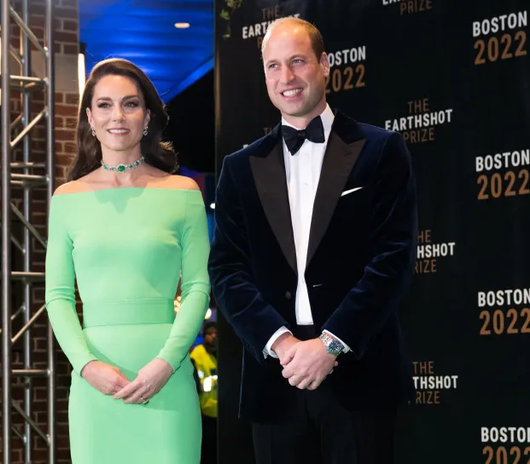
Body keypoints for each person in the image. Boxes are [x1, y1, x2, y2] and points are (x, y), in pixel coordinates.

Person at [208, 17, 417, 464]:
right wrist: (283, 345)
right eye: (273, 66)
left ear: (324, 64)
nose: (286, 77)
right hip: (275, 379)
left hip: (359, 375)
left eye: (298, 62)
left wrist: (330, 344)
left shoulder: (381, 149)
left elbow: (393, 258)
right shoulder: (240, 168)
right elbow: (227, 270)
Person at [45, 58, 211, 463]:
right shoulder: (66, 199)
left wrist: (166, 363)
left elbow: (198, 288)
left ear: (147, 116)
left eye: (130, 104)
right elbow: (57, 296)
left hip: (167, 379)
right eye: (104, 105)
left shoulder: (183, 192)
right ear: (89, 117)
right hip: (95, 385)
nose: (117, 116)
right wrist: (86, 366)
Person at [190, 321, 218, 464]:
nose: (213, 336)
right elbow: (196, 384)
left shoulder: (222, 352)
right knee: (207, 452)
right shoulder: (197, 355)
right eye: (210, 333)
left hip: (224, 411)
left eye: (216, 333)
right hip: (204, 411)